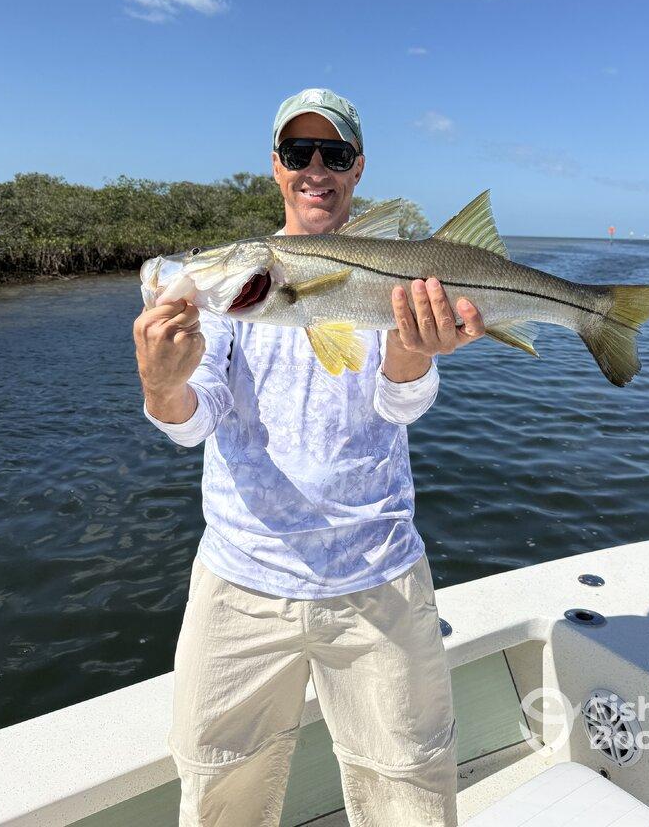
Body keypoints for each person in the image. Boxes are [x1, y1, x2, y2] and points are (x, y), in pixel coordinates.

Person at [133, 88, 486, 826]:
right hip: (241, 582)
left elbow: (401, 405)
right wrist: (161, 386)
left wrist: (412, 355)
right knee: (217, 799)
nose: (315, 169)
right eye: (299, 153)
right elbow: (193, 418)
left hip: (378, 577)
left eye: (333, 154)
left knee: (411, 795)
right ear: (276, 168)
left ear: (358, 168)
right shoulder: (237, 294)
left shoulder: (392, 268)